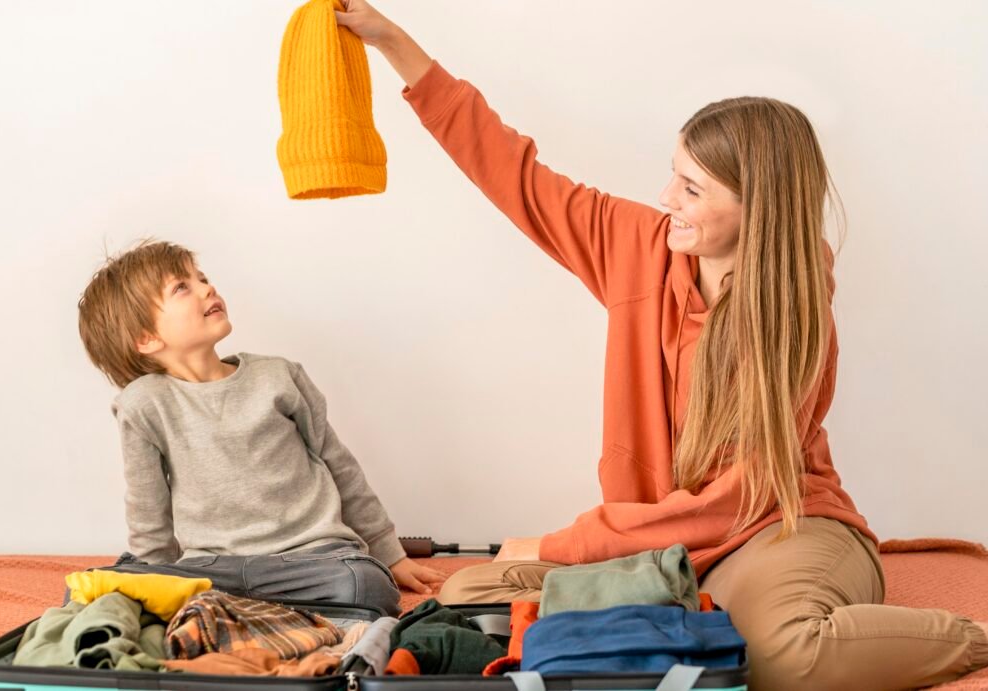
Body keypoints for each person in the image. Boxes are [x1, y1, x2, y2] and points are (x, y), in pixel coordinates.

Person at [333, 1, 988, 687]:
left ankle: (970, 636)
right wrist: (397, 48)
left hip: (773, 529)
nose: (665, 195)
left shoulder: (793, 318)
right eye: (673, 172)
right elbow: (516, 175)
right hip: (663, 549)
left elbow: (733, 500)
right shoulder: (636, 244)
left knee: (779, 652)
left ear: (756, 208)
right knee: (468, 593)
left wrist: (563, 544)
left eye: (692, 187)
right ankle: (685, 610)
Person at [76, 239, 445, 616]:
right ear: (145, 338)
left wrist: (389, 554)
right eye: (182, 287)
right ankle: (249, 607)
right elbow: (147, 508)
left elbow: (340, 467)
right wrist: (151, 583)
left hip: (310, 557)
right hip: (214, 568)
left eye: (202, 277)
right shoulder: (142, 404)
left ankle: (244, 610)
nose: (208, 288)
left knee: (365, 584)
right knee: (95, 596)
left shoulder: (278, 376)